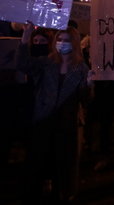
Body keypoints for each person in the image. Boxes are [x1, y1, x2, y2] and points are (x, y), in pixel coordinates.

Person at [17, 23, 90, 204]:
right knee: (37, 162)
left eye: (66, 41)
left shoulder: (81, 69)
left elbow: (86, 100)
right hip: (43, 121)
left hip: (67, 125)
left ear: (74, 44)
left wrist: (89, 85)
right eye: (59, 40)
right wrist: (25, 38)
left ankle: (62, 194)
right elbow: (23, 64)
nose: (62, 43)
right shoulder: (47, 62)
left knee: (63, 165)